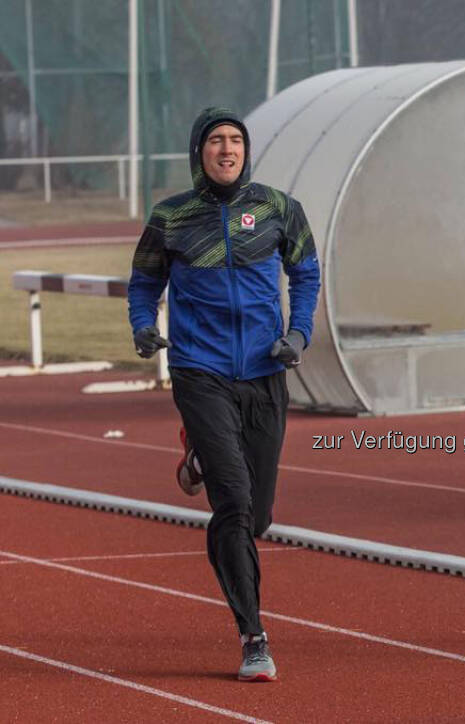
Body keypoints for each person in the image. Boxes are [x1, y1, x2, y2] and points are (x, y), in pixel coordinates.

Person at [128, 107, 321, 681]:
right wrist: (143, 326)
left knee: (257, 516)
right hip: (200, 370)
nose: (227, 148)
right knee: (232, 505)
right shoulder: (172, 217)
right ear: (199, 153)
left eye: (236, 140)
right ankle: (253, 637)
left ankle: (199, 456)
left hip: (265, 370)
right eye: (216, 140)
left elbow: (306, 272)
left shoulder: (278, 209)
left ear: (246, 150)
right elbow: (144, 281)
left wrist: (297, 333)